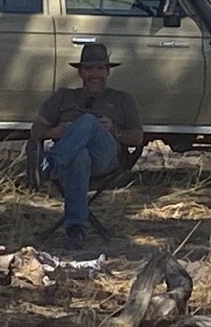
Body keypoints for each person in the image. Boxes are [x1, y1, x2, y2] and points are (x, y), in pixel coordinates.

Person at [30, 41, 144, 249]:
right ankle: (76, 230)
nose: (94, 74)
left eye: (100, 68)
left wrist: (114, 131)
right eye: (89, 69)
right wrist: (53, 132)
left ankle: (49, 163)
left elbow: (137, 138)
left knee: (90, 122)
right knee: (80, 157)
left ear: (108, 72)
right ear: (80, 72)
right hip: (74, 161)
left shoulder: (123, 99)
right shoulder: (64, 97)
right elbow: (36, 129)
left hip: (106, 159)